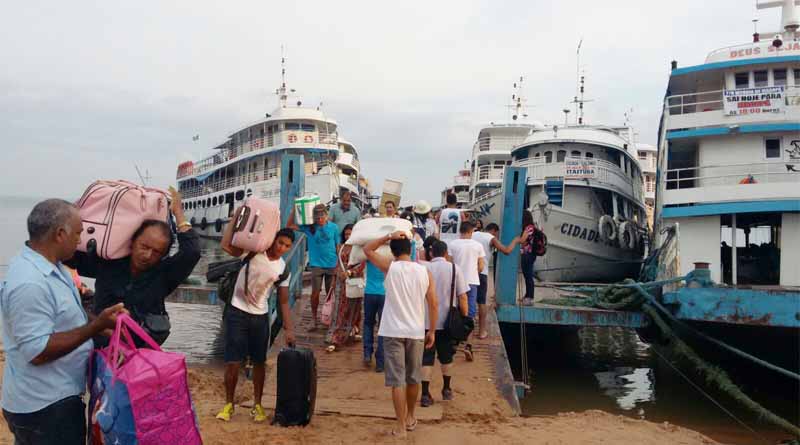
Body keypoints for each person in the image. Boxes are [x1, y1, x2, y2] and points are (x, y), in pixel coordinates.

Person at [1, 199, 126, 445]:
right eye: (78, 234)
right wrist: (95, 326)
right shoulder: (30, 282)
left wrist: (105, 325)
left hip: (54, 398)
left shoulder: (54, 267)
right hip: (44, 407)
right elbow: (37, 351)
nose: (80, 241)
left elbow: (71, 314)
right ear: (60, 234)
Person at [67, 186, 200, 346]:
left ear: (164, 254)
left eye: (157, 252)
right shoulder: (108, 262)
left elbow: (192, 252)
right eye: (144, 247)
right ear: (132, 242)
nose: (148, 255)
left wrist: (178, 213)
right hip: (102, 343)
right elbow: (68, 256)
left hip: (142, 348)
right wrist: (71, 218)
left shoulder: (165, 273)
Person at [215, 207, 296, 423]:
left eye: (287, 246)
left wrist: (289, 330)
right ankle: (228, 405)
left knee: (260, 362)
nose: (282, 248)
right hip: (236, 313)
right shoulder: (253, 251)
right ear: (273, 239)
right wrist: (234, 219)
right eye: (280, 243)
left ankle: (257, 406)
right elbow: (225, 245)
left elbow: (284, 301)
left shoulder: (282, 269)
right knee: (232, 362)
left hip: (260, 317)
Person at [363, 231, 437, 439]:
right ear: (411, 250)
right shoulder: (425, 272)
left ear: (393, 252)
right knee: (413, 378)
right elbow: (433, 303)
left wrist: (387, 236)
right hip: (415, 332)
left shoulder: (390, 267)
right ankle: (411, 417)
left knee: (397, 381)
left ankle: (400, 426)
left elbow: (367, 249)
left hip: (392, 331)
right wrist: (431, 330)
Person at [420, 240, 469, 407]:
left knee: (426, 358)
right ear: (446, 253)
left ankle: (425, 394)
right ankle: (447, 389)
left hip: (425, 321)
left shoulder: (423, 268)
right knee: (446, 357)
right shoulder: (455, 269)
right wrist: (464, 317)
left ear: (431, 253)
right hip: (448, 321)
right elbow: (463, 297)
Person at [471, 223, 528, 339]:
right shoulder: (490, 238)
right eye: (497, 234)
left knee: (467, 301)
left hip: (467, 273)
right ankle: (482, 332)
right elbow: (506, 251)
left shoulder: (472, 234)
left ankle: (465, 330)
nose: (497, 237)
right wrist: (517, 240)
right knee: (481, 303)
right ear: (494, 231)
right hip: (481, 273)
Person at [288, 204, 339, 331]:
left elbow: (338, 245)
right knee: (315, 294)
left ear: (327, 215)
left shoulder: (334, 227)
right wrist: (294, 208)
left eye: (322, 216)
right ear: (314, 217)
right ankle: (314, 320)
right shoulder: (310, 228)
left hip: (332, 265)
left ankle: (330, 319)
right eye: (317, 216)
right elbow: (289, 225)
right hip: (316, 265)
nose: (320, 219)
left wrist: (339, 264)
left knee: (330, 294)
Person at [446, 221, 484, 361]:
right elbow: (481, 266)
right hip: (472, 282)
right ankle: (468, 345)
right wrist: (473, 272)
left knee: (455, 312)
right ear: (471, 231)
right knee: (470, 314)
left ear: (460, 231)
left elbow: (449, 263)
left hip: (455, 281)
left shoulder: (453, 244)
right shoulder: (477, 245)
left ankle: (454, 342)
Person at [326, 224, 364, 352]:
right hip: (340, 282)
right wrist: (334, 280)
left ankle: (352, 329)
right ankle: (335, 337)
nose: (348, 236)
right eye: (346, 234)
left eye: (350, 234)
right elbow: (338, 264)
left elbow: (362, 264)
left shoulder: (359, 248)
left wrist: (350, 272)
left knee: (353, 308)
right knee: (338, 310)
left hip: (353, 281)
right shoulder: (341, 247)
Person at [520, 210, 538, 305]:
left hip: (528, 254)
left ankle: (530, 297)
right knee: (527, 275)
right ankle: (527, 295)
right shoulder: (530, 227)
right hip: (527, 254)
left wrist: (517, 240)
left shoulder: (529, 228)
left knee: (528, 275)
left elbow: (523, 240)